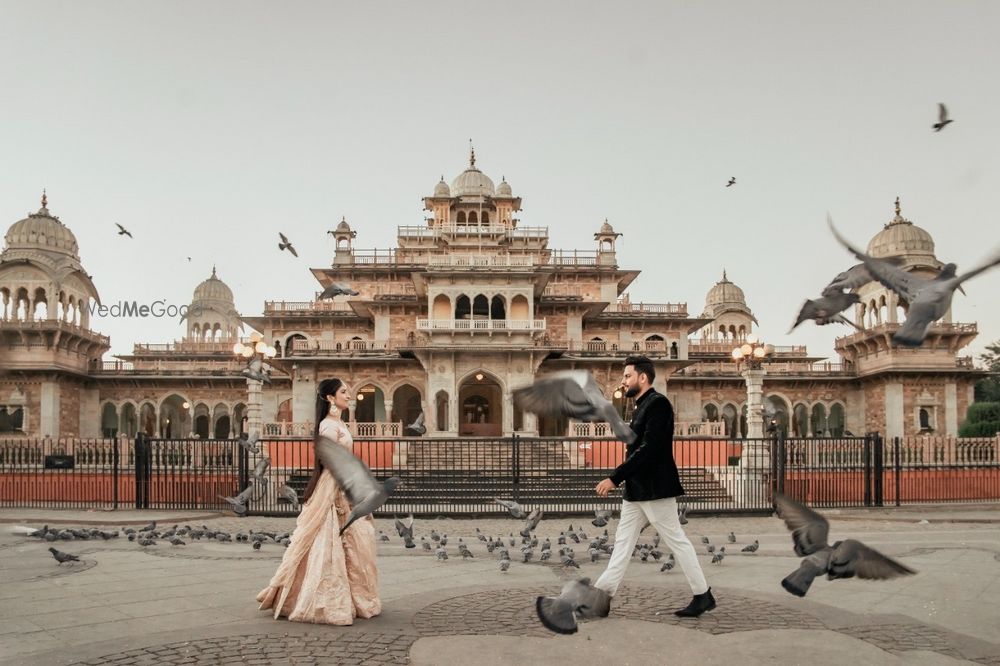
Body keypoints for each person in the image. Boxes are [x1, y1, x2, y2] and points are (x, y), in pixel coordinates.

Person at [594, 355, 716, 617]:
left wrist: (615, 477)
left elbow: (650, 449)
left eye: (627, 376)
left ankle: (702, 594)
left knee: (677, 541)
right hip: (637, 491)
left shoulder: (658, 404)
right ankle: (601, 596)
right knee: (623, 543)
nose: (623, 381)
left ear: (642, 377)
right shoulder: (641, 406)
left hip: (655, 489)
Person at [256, 378, 381, 624]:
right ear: (330, 398)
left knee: (351, 541)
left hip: (341, 483)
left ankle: (354, 597)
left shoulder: (338, 423)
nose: (349, 395)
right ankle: (322, 599)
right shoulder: (327, 426)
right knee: (326, 539)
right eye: (344, 392)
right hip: (333, 485)